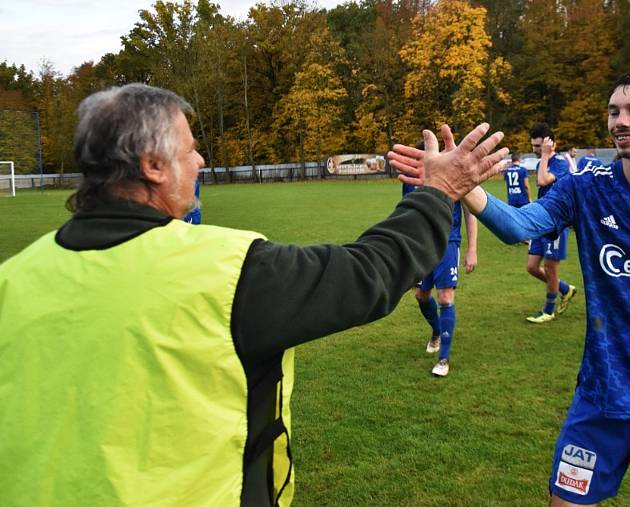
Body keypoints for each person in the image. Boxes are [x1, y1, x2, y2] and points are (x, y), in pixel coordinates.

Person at [0, 83, 508, 506]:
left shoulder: (14, 277)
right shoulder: (228, 271)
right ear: (154, 165)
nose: (200, 158)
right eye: (191, 147)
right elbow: (368, 274)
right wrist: (441, 192)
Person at [390, 71, 630, 506]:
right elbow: (519, 226)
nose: (621, 120)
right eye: (614, 111)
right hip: (601, 397)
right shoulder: (586, 188)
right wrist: (460, 185)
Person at [403, 140, 478, 377]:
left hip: (448, 242)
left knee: (445, 297)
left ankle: (444, 358)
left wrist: (472, 249)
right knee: (421, 295)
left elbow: (470, 211)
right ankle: (436, 331)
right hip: (423, 244)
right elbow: (408, 212)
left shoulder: (452, 174)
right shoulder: (411, 179)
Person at [526, 123, 577, 324]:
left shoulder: (561, 163)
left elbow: (542, 181)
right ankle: (565, 289)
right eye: (533, 146)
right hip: (541, 221)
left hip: (556, 224)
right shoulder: (543, 162)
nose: (535, 150)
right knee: (531, 267)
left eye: (539, 146)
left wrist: (546, 155)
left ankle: (549, 310)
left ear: (550, 144)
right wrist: (544, 158)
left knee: (550, 268)